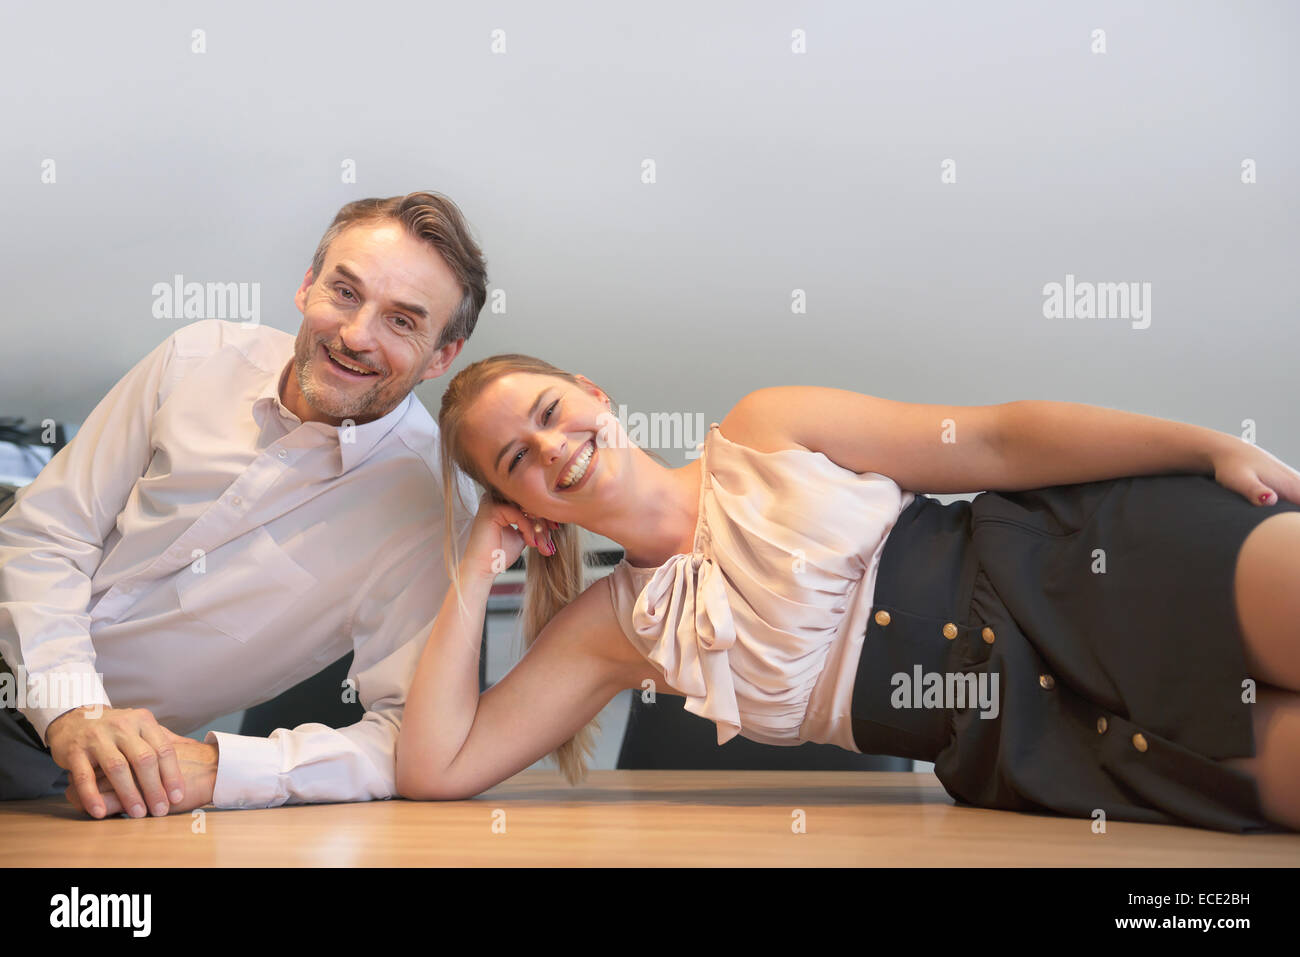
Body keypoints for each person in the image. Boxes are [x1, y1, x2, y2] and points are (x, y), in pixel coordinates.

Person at [395, 353, 1300, 833]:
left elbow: (993, 442)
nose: (553, 446)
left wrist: (1204, 445)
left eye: (551, 411)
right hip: (1029, 740)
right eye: (517, 459)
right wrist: (476, 567)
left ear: (591, 392)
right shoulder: (617, 631)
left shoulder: (767, 425)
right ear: (518, 503)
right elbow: (437, 768)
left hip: (1087, 567)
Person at [0, 191, 487, 818]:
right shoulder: (197, 356)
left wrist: (230, 767)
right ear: (306, 287)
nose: (355, 335)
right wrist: (72, 703)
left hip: (63, 771)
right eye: (344, 292)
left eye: (402, 320)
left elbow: (408, 738)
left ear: (442, 356)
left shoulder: (431, 511)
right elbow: (45, 535)